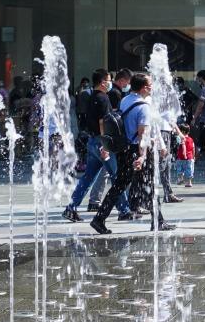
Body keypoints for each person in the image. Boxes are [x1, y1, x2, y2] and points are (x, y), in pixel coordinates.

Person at [89, 73, 174, 234]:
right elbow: (142, 135)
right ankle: (157, 221)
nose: (152, 86)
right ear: (144, 88)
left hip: (124, 149)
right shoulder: (144, 107)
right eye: (150, 84)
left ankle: (99, 219)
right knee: (148, 184)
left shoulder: (126, 99)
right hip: (136, 151)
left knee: (120, 185)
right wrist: (142, 156)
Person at [63, 69, 133, 221]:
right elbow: (104, 122)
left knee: (88, 177)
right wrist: (106, 145)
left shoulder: (90, 96)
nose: (110, 82)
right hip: (102, 143)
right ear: (102, 82)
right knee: (117, 176)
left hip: (92, 142)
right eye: (108, 80)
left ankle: (71, 207)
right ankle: (125, 210)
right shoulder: (103, 98)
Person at [175, 123, 196, 187]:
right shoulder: (191, 139)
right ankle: (189, 182)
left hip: (180, 158)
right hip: (189, 158)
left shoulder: (180, 138)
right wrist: (193, 156)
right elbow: (193, 148)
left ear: (182, 131)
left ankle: (180, 178)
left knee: (179, 169)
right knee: (189, 170)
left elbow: (178, 146)